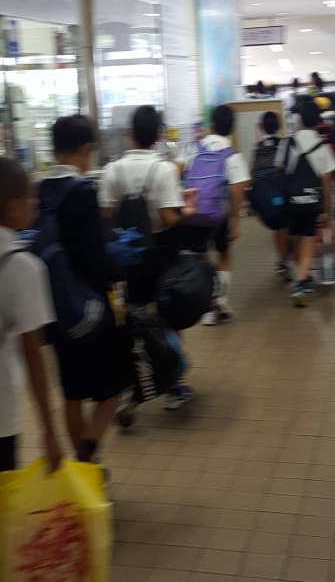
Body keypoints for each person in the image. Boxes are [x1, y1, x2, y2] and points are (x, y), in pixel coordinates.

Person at [38, 115, 130, 463]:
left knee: (72, 393)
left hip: (54, 310)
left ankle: (84, 466)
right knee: (114, 388)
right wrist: (117, 268)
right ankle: (87, 455)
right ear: (87, 148)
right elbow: (95, 258)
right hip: (91, 309)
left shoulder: (39, 191)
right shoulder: (82, 192)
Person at [100, 105, 195, 410]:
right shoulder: (164, 169)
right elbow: (168, 218)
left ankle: (130, 388)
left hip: (125, 258)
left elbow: (105, 217)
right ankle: (174, 386)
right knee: (167, 316)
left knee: (130, 320)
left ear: (129, 134)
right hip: (160, 255)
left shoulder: (112, 170)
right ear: (157, 136)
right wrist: (186, 211)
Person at [0, 157, 62, 472]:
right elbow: (32, 353)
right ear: (13, 207)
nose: (34, 205)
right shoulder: (22, 268)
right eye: (30, 198)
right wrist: (49, 430)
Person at [180, 105, 250, 325]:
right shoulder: (232, 155)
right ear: (232, 127)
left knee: (201, 259)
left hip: (193, 213)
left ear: (211, 125)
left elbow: (176, 170)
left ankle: (207, 310)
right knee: (224, 255)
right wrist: (235, 220)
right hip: (219, 214)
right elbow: (237, 190)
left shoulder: (193, 148)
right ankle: (220, 300)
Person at [276, 101, 335, 306]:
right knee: (308, 240)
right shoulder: (322, 146)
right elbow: (327, 182)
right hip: (311, 202)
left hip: (289, 201)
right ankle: (300, 282)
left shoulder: (286, 143)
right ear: (318, 121)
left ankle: (301, 275)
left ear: (300, 119)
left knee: (296, 239)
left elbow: (279, 170)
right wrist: (327, 211)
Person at [251, 111, 289, 276]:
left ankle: (282, 260)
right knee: (285, 227)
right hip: (283, 193)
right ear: (279, 125)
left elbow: (253, 174)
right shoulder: (284, 144)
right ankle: (285, 260)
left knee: (278, 227)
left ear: (262, 127)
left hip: (267, 198)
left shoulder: (258, 148)